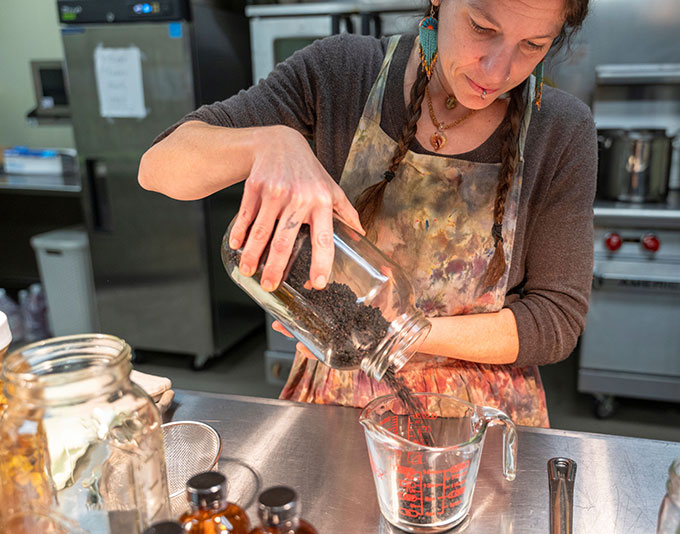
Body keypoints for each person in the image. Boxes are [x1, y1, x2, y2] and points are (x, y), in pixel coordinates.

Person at [139, 0, 595, 427]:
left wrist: (399, 333)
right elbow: (158, 167)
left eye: (532, 45)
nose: (497, 70)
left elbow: (556, 320)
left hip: (482, 419)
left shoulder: (561, 130)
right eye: (481, 28)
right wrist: (270, 142)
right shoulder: (342, 73)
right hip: (339, 405)